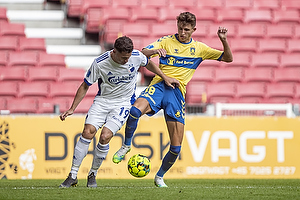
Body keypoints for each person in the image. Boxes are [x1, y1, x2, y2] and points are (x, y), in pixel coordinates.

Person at [112, 12, 233, 187]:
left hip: (176, 93)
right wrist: (154, 51)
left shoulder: (199, 49)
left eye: (186, 29)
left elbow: (228, 58)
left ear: (193, 30)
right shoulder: (166, 41)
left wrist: (223, 40)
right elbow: (141, 53)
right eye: (180, 28)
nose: (182, 32)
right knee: (135, 110)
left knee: (176, 147)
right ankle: (126, 145)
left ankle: (159, 176)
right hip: (159, 85)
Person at [59, 36, 179, 188]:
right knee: (87, 132)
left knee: (105, 136)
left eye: (127, 58)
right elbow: (85, 85)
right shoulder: (100, 63)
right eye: (123, 58)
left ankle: (93, 174)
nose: (126, 61)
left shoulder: (135, 56)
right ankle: (73, 175)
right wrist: (72, 108)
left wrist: (164, 77)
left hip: (123, 103)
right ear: (114, 52)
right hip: (102, 102)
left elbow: (148, 64)